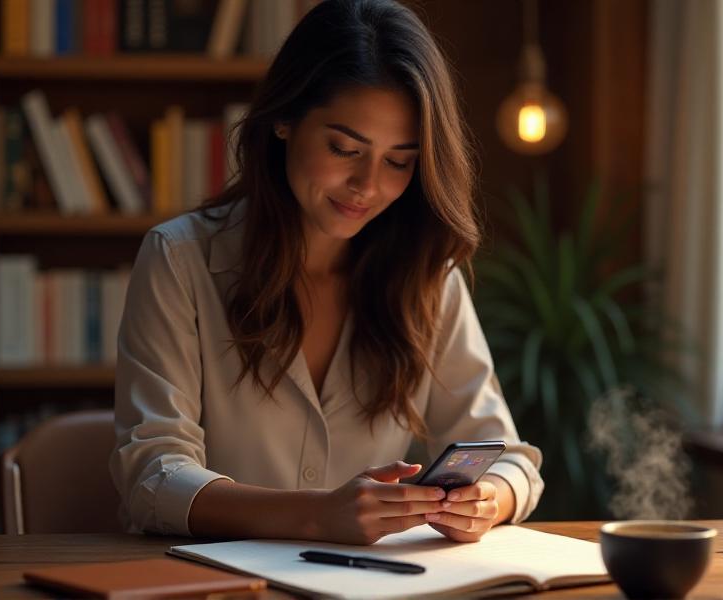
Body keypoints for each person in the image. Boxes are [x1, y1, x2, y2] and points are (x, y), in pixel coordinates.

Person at [110, 0, 543, 545]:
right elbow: (152, 475)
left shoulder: (426, 275)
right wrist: (316, 515)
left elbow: (509, 459)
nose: (367, 185)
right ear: (285, 120)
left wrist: (486, 500)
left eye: (399, 161)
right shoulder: (181, 259)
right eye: (344, 148)